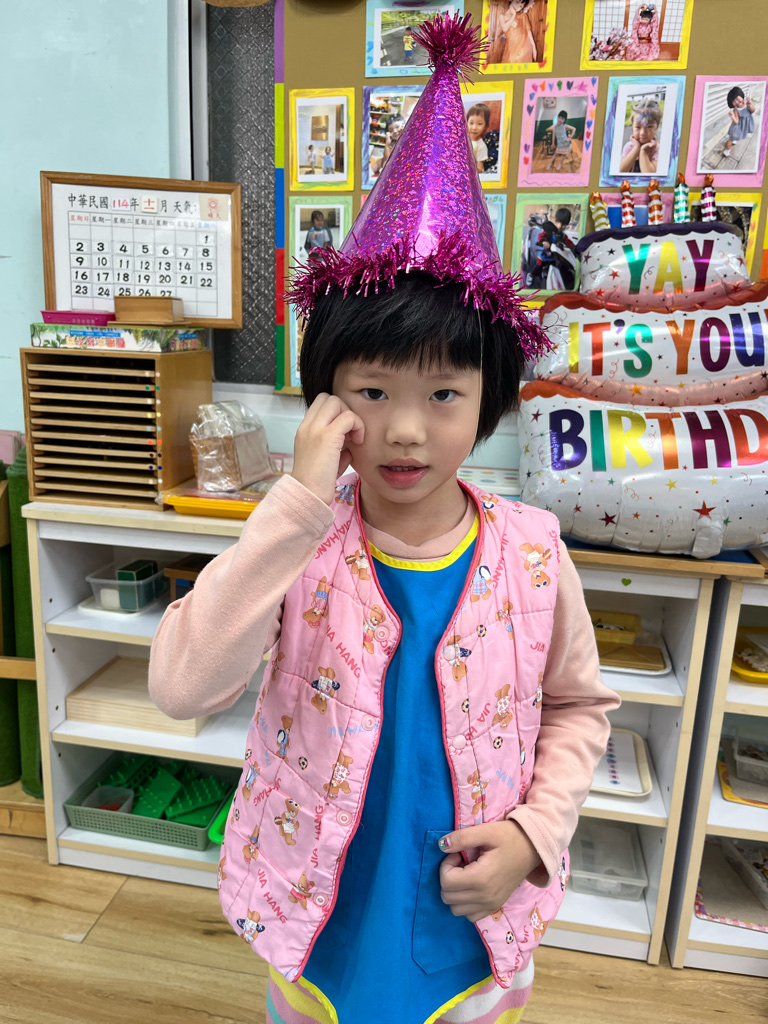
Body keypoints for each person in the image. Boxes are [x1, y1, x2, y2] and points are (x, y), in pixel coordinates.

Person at [149, 14, 618, 1024]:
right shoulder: (299, 541)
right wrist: (292, 508)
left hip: (469, 934)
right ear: (327, 395)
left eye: (444, 395)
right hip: (315, 928)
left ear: (488, 400)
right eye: (371, 391)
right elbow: (181, 686)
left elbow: (579, 709)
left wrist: (536, 834)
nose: (405, 430)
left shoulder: (534, 554)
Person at [619, 99, 661, 174]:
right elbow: (620, 171)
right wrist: (636, 148)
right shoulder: (629, 147)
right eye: (638, 127)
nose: (643, 133)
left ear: (657, 127)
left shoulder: (657, 149)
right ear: (632, 127)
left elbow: (650, 176)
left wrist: (643, 151)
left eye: (650, 127)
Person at [498, 0, 537, 65]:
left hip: (525, 47)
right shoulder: (502, 16)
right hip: (512, 47)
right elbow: (505, 28)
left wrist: (534, 47)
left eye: (521, 6)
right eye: (517, 2)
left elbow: (528, 31)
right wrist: (513, 15)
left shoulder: (523, 15)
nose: (518, 6)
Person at [724, 85, 756, 158]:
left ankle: (735, 139)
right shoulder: (736, 110)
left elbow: (753, 110)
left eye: (737, 99)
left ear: (741, 95)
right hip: (737, 127)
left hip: (744, 126)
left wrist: (750, 105)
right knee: (730, 139)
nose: (737, 102)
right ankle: (727, 151)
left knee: (738, 136)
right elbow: (736, 122)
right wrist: (733, 117)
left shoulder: (747, 103)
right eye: (734, 101)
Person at [465, 102, 491, 172]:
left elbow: (480, 169)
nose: (474, 127)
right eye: (471, 123)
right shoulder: (462, 140)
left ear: (485, 126)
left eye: (479, 124)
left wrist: (470, 161)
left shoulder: (481, 146)